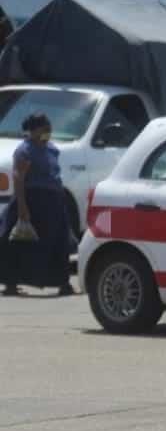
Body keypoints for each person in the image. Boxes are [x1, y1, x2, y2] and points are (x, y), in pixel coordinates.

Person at [0, 112, 75, 296]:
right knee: (17, 243)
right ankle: (11, 283)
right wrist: (22, 207)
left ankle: (63, 283)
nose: (47, 133)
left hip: (53, 203)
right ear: (33, 131)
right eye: (44, 129)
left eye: (49, 129)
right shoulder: (25, 151)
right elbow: (19, 178)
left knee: (59, 242)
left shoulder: (51, 149)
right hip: (32, 201)